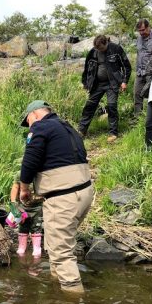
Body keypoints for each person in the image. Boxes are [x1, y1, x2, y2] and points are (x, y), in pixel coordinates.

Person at [20, 100, 94, 293]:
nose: (29, 126)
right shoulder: (67, 127)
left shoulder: (40, 128)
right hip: (84, 192)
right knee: (57, 244)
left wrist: (24, 189)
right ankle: (56, 288)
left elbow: (30, 160)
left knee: (61, 253)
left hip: (64, 197)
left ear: (34, 115)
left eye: (28, 121)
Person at [78, 34, 132, 143]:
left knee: (112, 106)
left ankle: (113, 133)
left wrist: (124, 81)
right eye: (97, 48)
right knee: (90, 105)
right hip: (96, 84)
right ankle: (81, 130)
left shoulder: (116, 49)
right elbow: (87, 67)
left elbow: (127, 66)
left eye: (101, 48)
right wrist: (85, 82)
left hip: (112, 83)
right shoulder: (93, 51)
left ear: (106, 43)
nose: (99, 50)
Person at [9, 168, 43, 257]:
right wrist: (13, 203)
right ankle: (21, 247)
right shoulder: (20, 174)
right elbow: (15, 187)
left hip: (38, 207)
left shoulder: (42, 174)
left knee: (36, 226)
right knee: (23, 226)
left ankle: (37, 248)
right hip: (23, 207)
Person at [134, 19, 152, 119]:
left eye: (143, 30)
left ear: (149, 27)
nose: (141, 32)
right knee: (137, 94)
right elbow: (139, 53)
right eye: (139, 30)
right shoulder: (139, 38)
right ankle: (137, 118)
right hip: (140, 72)